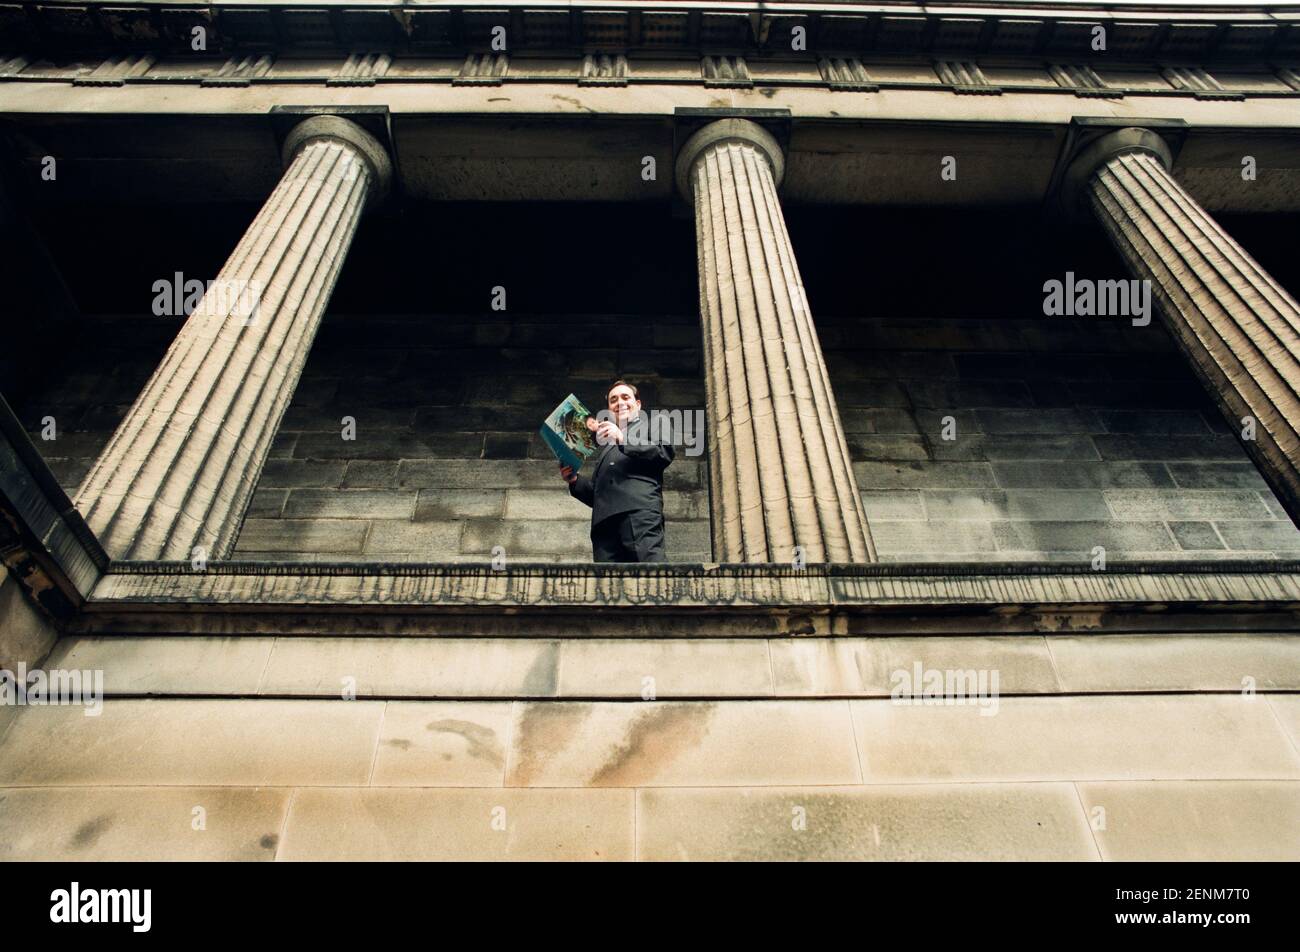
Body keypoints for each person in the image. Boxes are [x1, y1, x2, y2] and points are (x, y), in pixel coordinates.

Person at [559, 380, 674, 563]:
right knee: (606, 585)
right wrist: (574, 480)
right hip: (604, 526)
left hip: (638, 515)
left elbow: (663, 453)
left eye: (625, 397)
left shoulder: (654, 424)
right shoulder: (607, 447)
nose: (619, 402)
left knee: (650, 575)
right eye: (613, 400)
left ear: (638, 404)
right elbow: (598, 493)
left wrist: (622, 438)